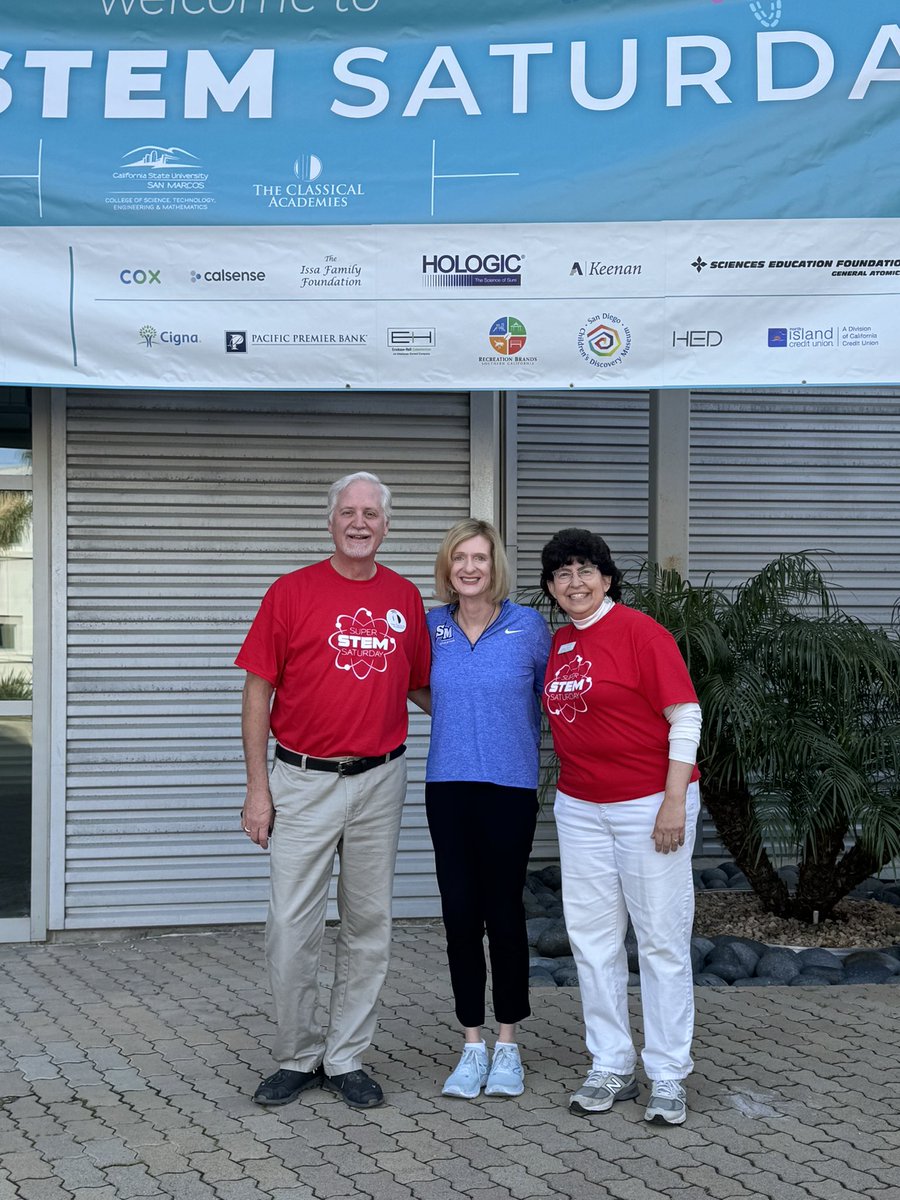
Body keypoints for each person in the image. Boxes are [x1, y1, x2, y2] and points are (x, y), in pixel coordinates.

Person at [235, 471, 430, 1110]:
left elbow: (425, 689)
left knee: (369, 922)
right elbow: (258, 689)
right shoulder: (291, 593)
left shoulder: (405, 598)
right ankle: (296, 1055)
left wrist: (493, 709)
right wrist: (257, 788)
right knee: (292, 926)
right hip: (301, 779)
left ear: (386, 524)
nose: (359, 522)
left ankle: (345, 1057)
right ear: (330, 520)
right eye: (348, 511)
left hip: (380, 778)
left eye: (371, 513)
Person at [539, 528, 702, 1126]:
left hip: (648, 804)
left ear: (607, 578)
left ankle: (667, 1074)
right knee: (593, 940)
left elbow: (685, 714)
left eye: (585, 570)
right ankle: (610, 1062)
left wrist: (673, 800)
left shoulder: (640, 632)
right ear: (552, 589)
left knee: (660, 940)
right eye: (561, 574)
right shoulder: (559, 643)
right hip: (581, 808)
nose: (573, 582)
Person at [425, 519, 550, 1099]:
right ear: (447, 569)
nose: (469, 568)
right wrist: (461, 713)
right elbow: (417, 686)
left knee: (503, 913)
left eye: (479, 557)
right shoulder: (431, 628)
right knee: (458, 916)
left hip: (509, 787)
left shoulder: (528, 626)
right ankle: (471, 1045)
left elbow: (558, 696)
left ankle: (509, 1044)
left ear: (495, 565)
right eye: (459, 559)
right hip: (448, 787)